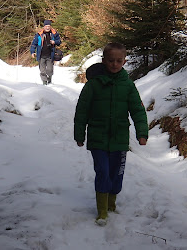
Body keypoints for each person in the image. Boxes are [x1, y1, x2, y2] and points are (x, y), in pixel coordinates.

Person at [74, 42, 148, 225]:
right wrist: (79, 134)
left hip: (119, 138)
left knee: (116, 173)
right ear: (104, 61)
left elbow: (138, 111)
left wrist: (142, 132)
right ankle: (102, 210)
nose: (114, 64)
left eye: (119, 61)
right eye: (110, 60)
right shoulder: (93, 85)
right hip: (97, 138)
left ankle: (112, 202)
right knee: (103, 171)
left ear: (124, 61)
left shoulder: (128, 85)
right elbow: (82, 111)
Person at [30, 20, 61, 85]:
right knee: (42, 71)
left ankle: (49, 79)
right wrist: (32, 52)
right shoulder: (39, 34)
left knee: (50, 70)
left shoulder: (54, 33)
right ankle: (44, 82)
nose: (47, 28)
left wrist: (54, 42)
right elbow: (34, 44)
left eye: (49, 26)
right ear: (44, 27)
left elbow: (59, 41)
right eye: (46, 26)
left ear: (50, 26)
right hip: (41, 55)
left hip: (50, 55)